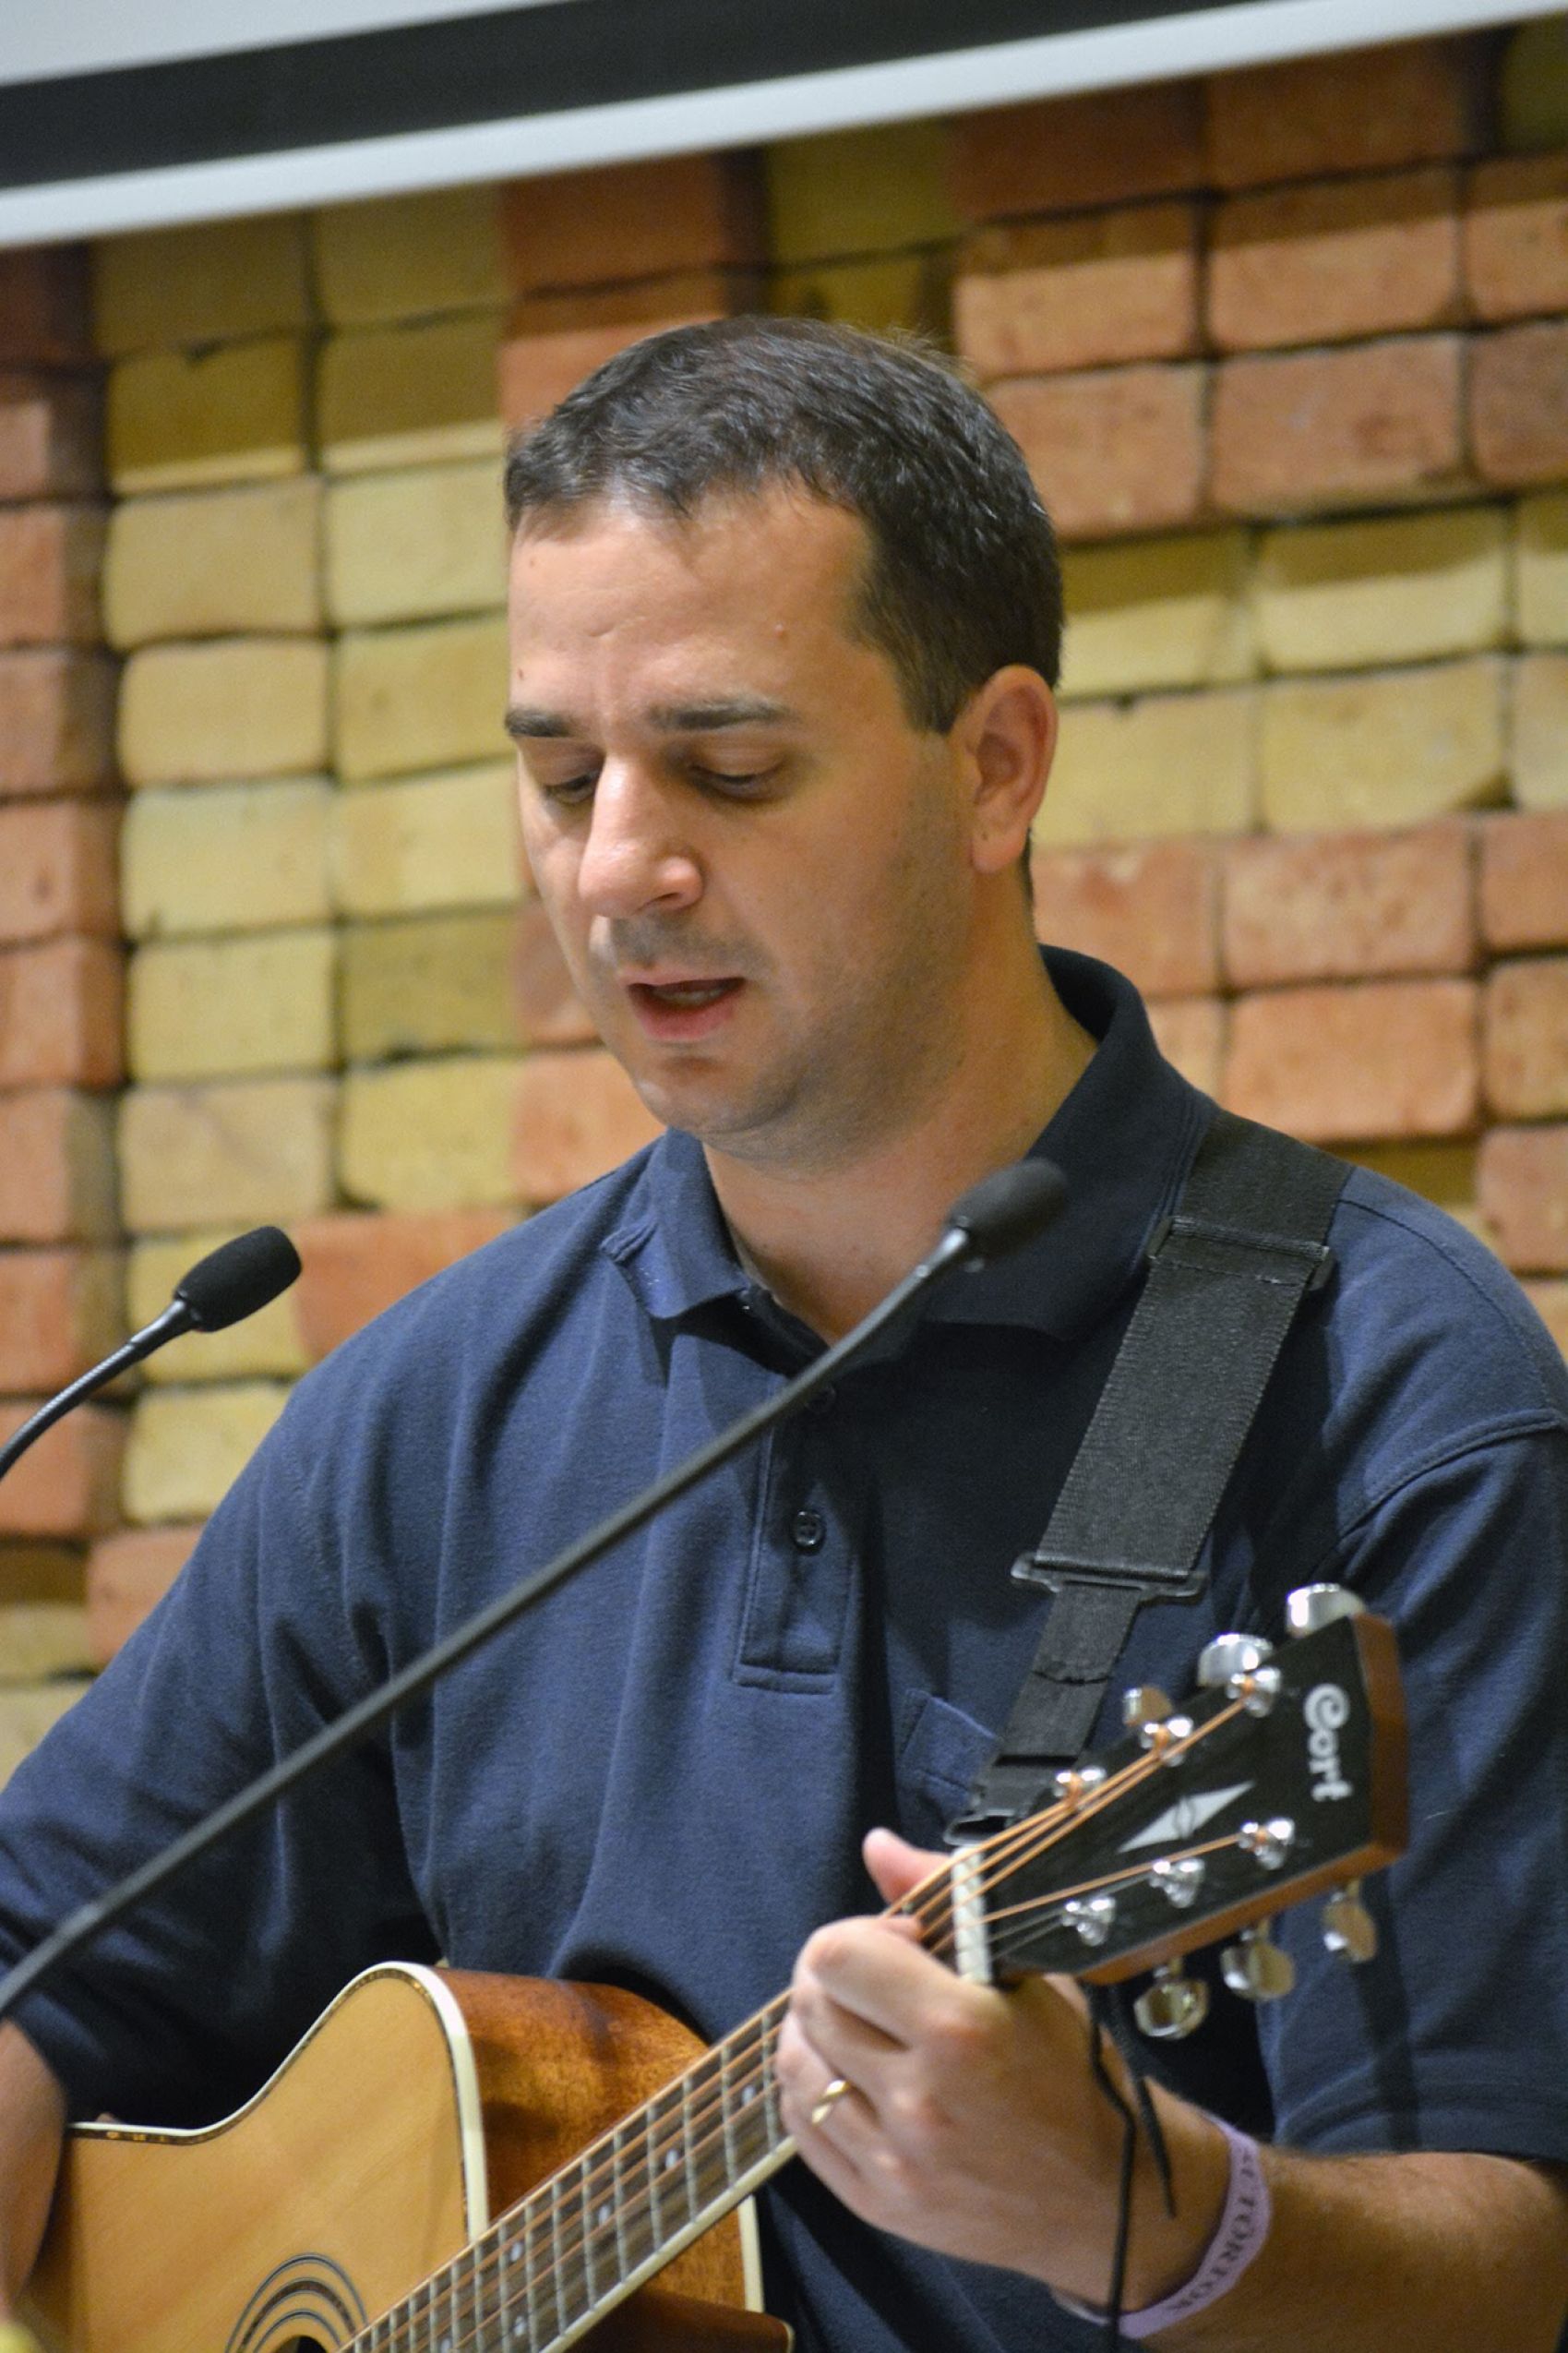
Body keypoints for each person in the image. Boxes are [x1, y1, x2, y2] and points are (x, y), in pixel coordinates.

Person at [1, 316, 1567, 2352]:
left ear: (995, 767)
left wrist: (1150, 2216)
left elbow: (1508, 2273)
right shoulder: (437, 1410)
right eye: (559, 775)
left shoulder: (1385, 1384)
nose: (616, 868)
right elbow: (48, 1966)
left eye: (728, 768)